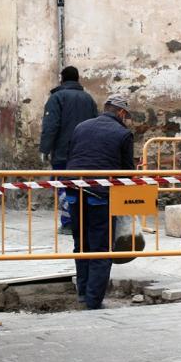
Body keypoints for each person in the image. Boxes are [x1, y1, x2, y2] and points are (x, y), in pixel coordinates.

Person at [64, 93, 135, 309]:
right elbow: (126, 173)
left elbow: (72, 155)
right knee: (101, 249)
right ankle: (94, 301)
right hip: (100, 196)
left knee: (81, 245)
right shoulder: (123, 133)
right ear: (121, 112)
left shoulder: (81, 127)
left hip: (75, 192)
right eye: (126, 115)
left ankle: (83, 294)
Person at [38, 66, 98, 233]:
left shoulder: (57, 98)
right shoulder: (89, 99)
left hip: (63, 152)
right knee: (83, 185)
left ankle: (69, 222)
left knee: (63, 185)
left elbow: (51, 125)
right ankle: (84, 220)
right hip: (86, 152)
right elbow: (96, 123)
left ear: (62, 79)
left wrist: (45, 149)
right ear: (78, 79)